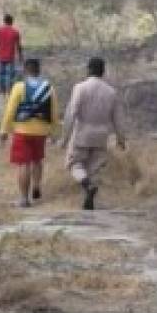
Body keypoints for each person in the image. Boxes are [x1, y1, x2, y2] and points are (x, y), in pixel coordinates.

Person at [61, 56, 127, 210]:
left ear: (88, 70)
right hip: (101, 136)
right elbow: (118, 119)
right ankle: (88, 200)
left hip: (82, 133)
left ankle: (87, 185)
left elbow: (72, 113)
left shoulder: (80, 88)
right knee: (94, 168)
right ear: (103, 72)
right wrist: (121, 139)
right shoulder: (111, 92)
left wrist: (65, 137)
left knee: (74, 164)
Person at [0, 57, 59, 208]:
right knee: (37, 160)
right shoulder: (48, 87)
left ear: (25, 70)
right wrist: (54, 131)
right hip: (41, 132)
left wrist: (4, 130)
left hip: (22, 130)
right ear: (38, 70)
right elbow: (54, 112)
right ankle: (36, 185)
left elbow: (10, 110)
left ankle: (24, 199)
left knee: (23, 164)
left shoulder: (19, 87)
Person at [0, 14, 23, 96]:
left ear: (4, 21)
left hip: (0, 56)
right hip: (10, 57)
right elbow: (18, 46)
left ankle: (2, 92)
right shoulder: (15, 32)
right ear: (12, 21)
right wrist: (20, 56)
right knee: (10, 75)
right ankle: (9, 93)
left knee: (1, 74)